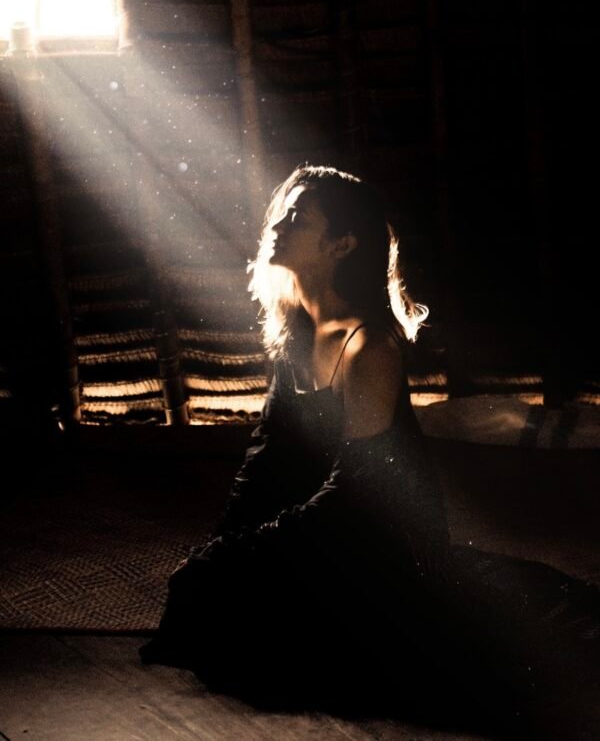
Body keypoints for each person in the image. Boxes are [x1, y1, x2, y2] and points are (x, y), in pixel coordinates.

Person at [141, 165, 600, 739]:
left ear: (342, 244)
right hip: (320, 530)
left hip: (377, 541)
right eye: (281, 213)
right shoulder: (295, 333)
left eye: (297, 218)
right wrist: (224, 546)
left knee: (480, 663)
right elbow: (265, 459)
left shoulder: (369, 347)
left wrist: (249, 553)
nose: (277, 225)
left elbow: (355, 495)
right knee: (212, 597)